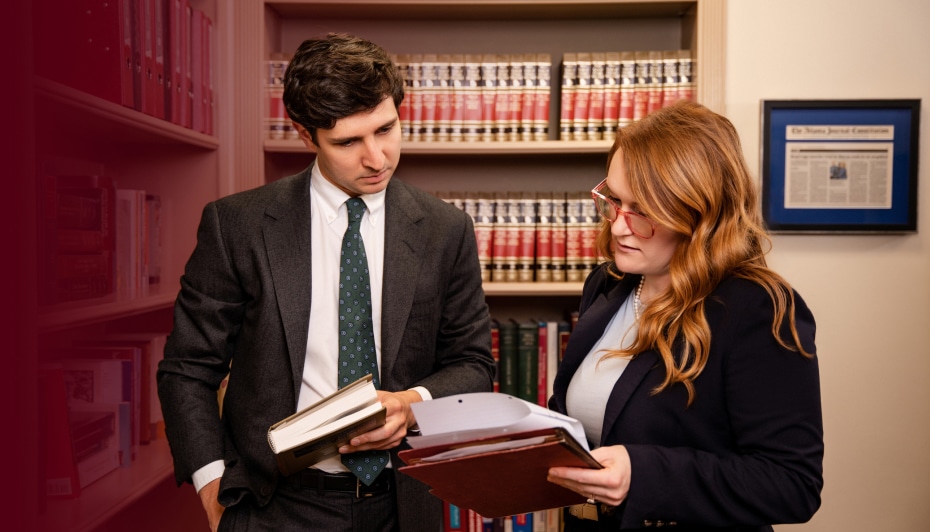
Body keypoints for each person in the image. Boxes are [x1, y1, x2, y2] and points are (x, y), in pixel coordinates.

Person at [157, 33, 495, 532]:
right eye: (348, 142)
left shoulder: (446, 229)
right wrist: (213, 491)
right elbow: (187, 369)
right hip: (273, 507)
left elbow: (473, 364)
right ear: (304, 134)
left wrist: (410, 404)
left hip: (402, 506)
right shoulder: (238, 226)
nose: (377, 158)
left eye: (386, 129)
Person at [546, 100, 823, 531]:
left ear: (700, 215)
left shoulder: (757, 309)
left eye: (642, 211)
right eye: (615, 200)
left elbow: (791, 484)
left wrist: (643, 472)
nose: (618, 226)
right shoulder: (608, 283)